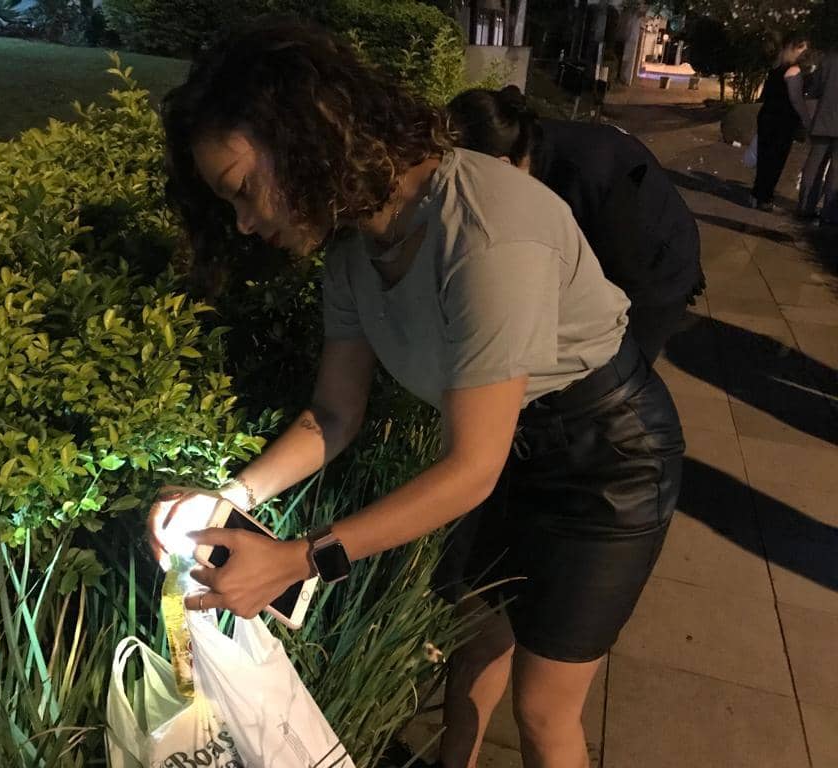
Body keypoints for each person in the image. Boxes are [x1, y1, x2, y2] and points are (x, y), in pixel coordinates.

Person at [153, 19, 684, 768]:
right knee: (473, 648)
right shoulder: (353, 248)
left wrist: (299, 558)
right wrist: (227, 496)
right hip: (507, 449)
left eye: (242, 190)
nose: (242, 224)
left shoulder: (489, 228)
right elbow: (333, 413)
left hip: (607, 463)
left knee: (543, 711)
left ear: (305, 133)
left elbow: (470, 470)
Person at [447, 86, 704, 363]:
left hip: (653, 275)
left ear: (501, 165)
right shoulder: (528, 142)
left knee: (617, 372)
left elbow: (592, 289)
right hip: (631, 244)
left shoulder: (578, 178)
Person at [750, 32, 811, 211]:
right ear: (793, 47)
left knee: (764, 158)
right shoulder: (794, 70)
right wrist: (806, 120)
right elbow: (796, 100)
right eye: (801, 48)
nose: (804, 52)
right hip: (783, 120)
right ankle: (764, 197)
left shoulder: (776, 66)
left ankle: (758, 194)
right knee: (776, 160)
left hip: (767, 116)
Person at [797, 45, 838, 224]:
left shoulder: (828, 59)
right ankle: (830, 212)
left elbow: (814, 90)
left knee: (814, 164)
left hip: (823, 120)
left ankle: (806, 206)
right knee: (836, 170)